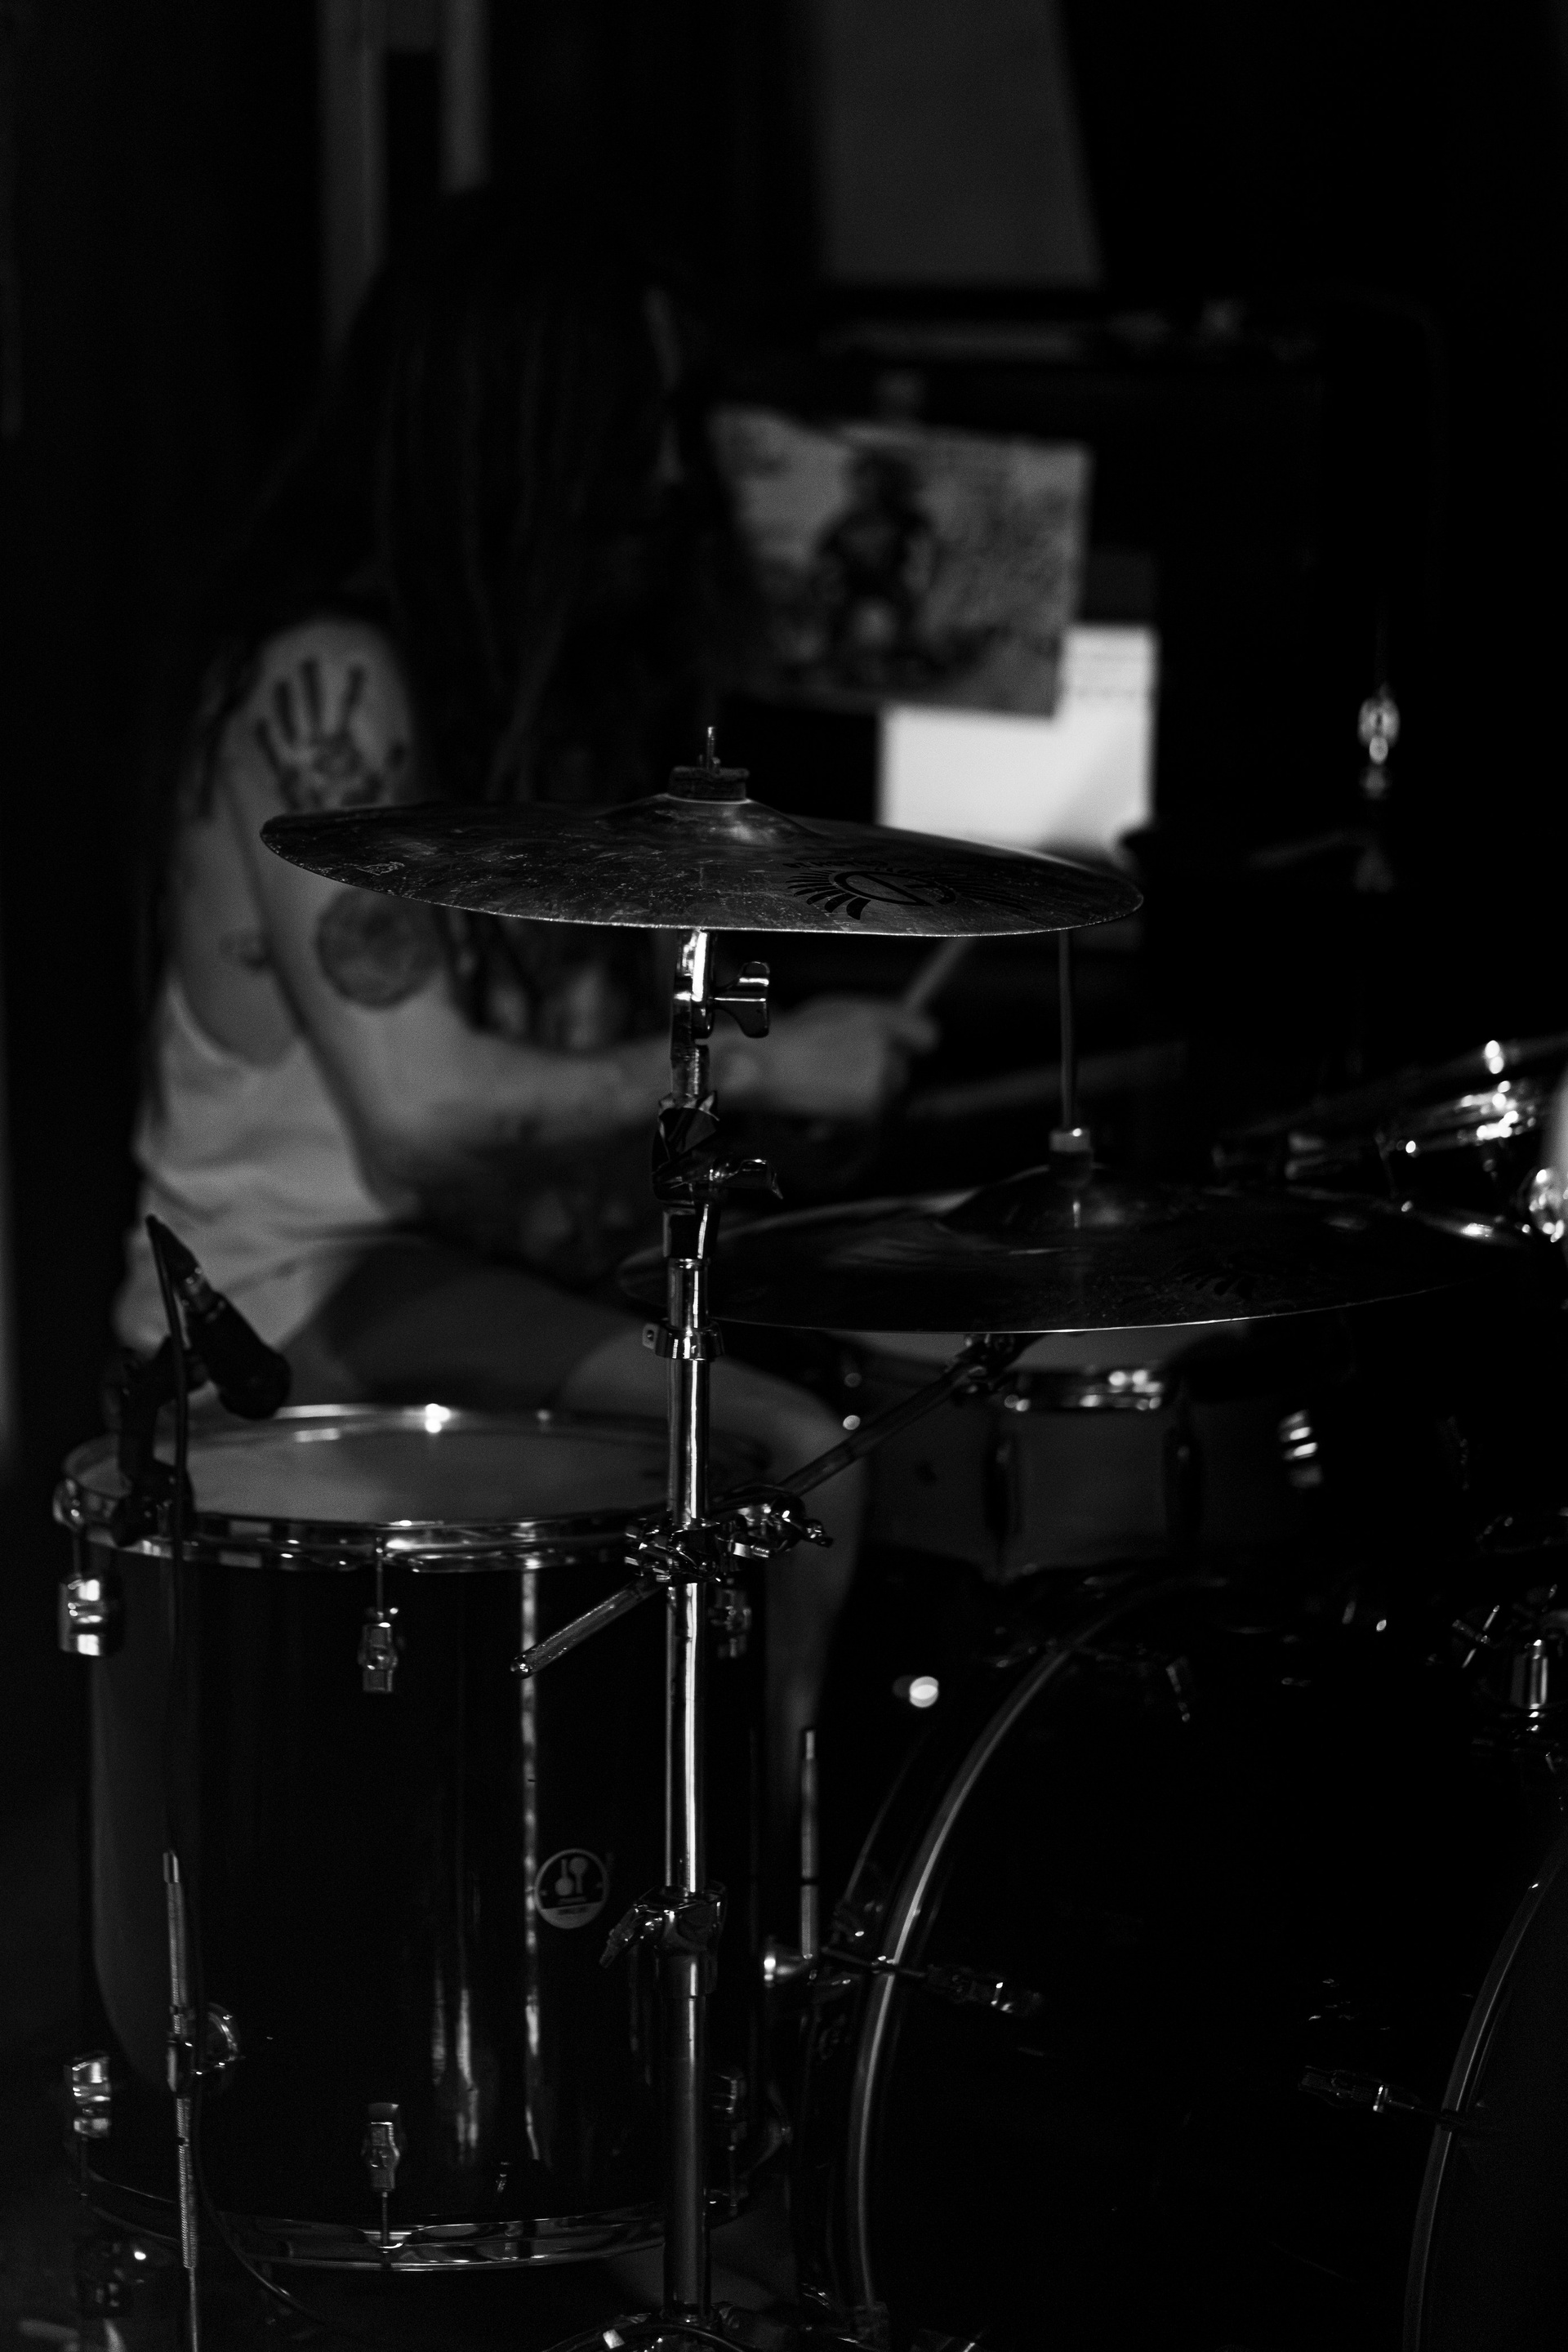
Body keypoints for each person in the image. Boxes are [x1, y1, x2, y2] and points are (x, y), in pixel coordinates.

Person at [114, 194, 935, 1838]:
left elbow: (590, 1063)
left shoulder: (518, 699)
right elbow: (425, 1117)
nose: (664, 478)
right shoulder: (328, 685)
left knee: (877, 1359)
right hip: (285, 1301)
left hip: (456, 1270)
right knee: (786, 1447)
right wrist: (774, 1057)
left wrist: (760, 1078)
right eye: (637, 425)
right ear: (529, 432)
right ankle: (760, 1909)